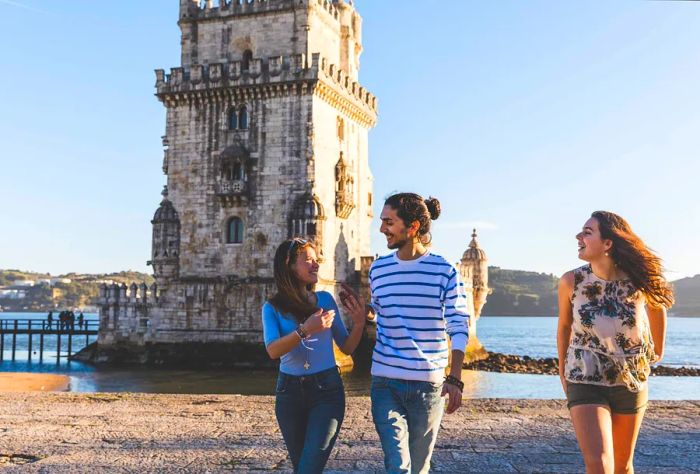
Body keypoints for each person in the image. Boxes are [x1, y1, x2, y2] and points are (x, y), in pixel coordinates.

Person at [344, 192, 469, 474]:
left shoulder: (445, 270)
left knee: (418, 467)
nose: (381, 229)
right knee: (397, 465)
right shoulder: (378, 270)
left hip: (427, 385)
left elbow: (459, 324)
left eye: (389, 222)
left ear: (412, 227)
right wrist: (366, 312)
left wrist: (456, 378)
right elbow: (382, 310)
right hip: (385, 382)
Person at [557, 211, 672, 474]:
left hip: (630, 378)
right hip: (584, 376)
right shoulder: (571, 281)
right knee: (599, 464)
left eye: (587, 232)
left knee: (622, 466)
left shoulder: (638, 281)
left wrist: (658, 349)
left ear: (608, 243)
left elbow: (657, 308)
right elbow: (564, 326)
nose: (578, 236)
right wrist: (562, 369)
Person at [262, 238, 367, 473]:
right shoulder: (272, 307)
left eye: (316, 260)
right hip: (288, 394)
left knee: (309, 467)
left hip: (327, 393)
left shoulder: (326, 300)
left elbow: (347, 347)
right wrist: (305, 329)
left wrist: (359, 323)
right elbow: (272, 350)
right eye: (308, 260)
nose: (316, 265)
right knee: (304, 467)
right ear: (289, 265)